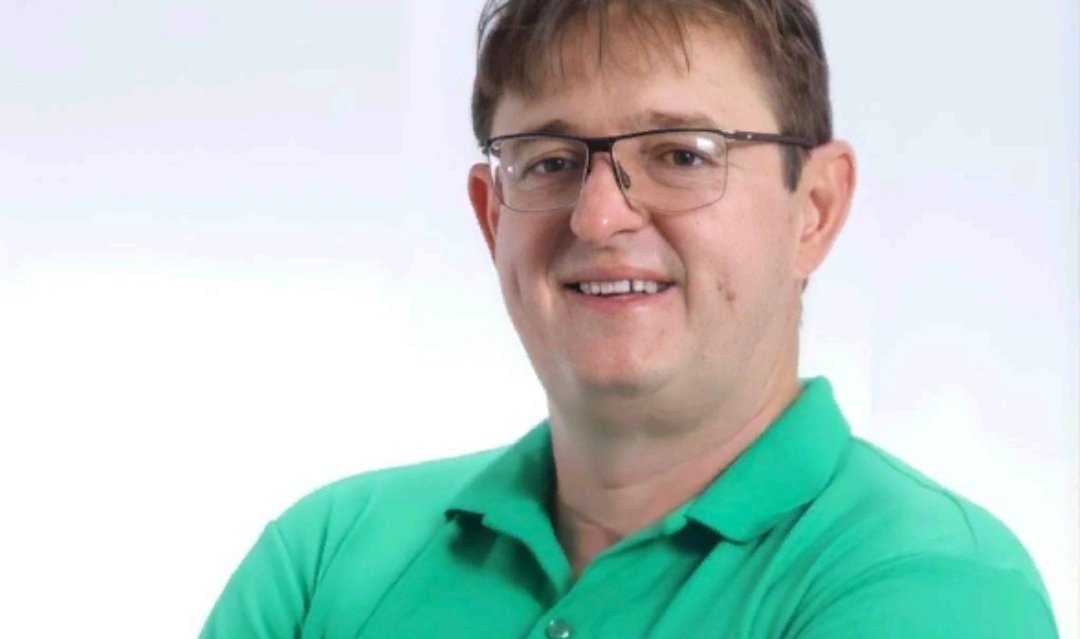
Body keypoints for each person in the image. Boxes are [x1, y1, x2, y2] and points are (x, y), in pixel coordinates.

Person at [200, 1, 1058, 636]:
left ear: (816, 209)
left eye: (682, 154)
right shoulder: (328, 556)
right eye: (549, 162)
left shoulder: (932, 585)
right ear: (492, 217)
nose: (599, 216)